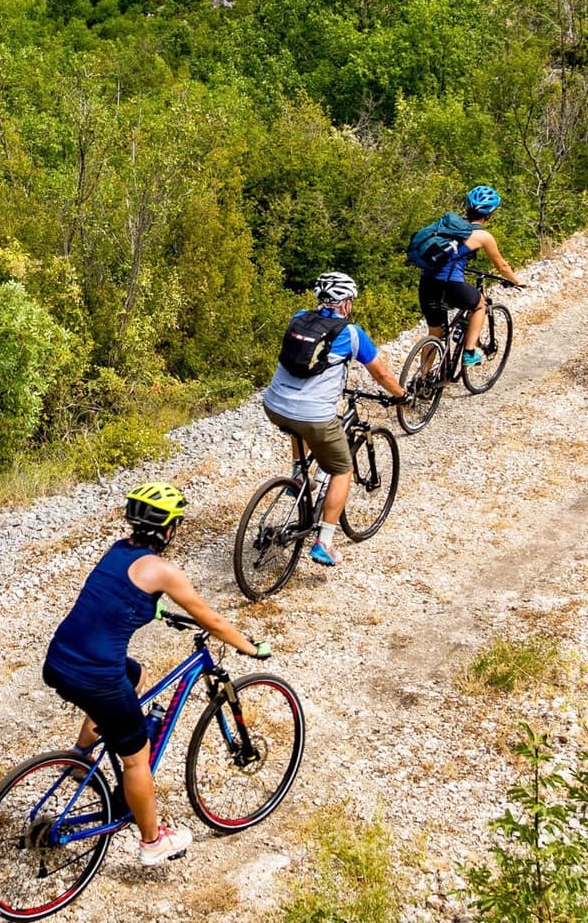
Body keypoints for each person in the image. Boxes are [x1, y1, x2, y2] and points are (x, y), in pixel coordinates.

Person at [42, 482, 270, 868]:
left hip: (60, 660)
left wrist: (158, 612)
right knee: (135, 759)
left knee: (136, 676)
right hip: (96, 675)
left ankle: (79, 757)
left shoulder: (118, 551)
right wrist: (249, 646)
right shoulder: (163, 570)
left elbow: (113, 598)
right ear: (169, 528)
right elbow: (210, 618)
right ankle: (152, 841)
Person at [261, 272, 407, 568]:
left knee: (296, 420)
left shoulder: (298, 317)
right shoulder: (351, 333)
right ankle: (324, 542)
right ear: (346, 303)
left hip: (274, 405)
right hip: (313, 415)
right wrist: (400, 395)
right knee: (342, 469)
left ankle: (298, 475)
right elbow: (381, 374)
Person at [416, 185, 523, 383]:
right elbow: (501, 265)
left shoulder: (448, 226)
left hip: (427, 283)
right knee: (480, 304)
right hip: (450, 286)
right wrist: (517, 281)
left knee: (435, 333)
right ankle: (470, 352)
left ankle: (421, 380)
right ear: (489, 214)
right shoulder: (483, 236)